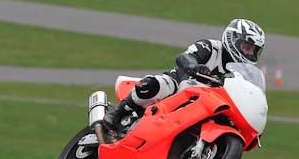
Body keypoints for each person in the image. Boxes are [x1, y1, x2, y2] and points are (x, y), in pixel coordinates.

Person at [102, 18, 266, 131]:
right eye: (246, 47)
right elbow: (184, 57)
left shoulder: (242, 72)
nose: (249, 53)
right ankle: (117, 112)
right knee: (152, 85)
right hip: (181, 84)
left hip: (211, 104)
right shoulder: (211, 47)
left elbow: (245, 93)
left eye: (253, 50)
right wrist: (196, 67)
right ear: (233, 39)